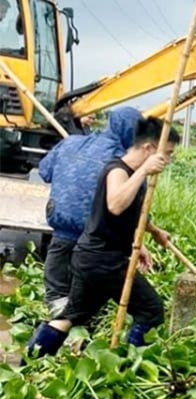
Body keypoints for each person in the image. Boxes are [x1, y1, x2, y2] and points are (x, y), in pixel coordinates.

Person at [23, 117, 177, 360]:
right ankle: (130, 367)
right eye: (167, 153)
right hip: (104, 261)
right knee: (151, 309)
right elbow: (116, 204)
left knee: (71, 316)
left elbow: (128, 214)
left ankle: (28, 362)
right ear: (148, 148)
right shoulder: (118, 170)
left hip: (91, 258)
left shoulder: (131, 173)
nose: (167, 160)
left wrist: (153, 233)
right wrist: (145, 171)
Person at [38, 106, 144, 317]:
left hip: (60, 237)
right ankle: (74, 341)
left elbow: (44, 171)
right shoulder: (124, 164)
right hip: (95, 248)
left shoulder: (71, 142)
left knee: (57, 299)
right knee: (84, 308)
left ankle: (46, 342)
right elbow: (131, 206)